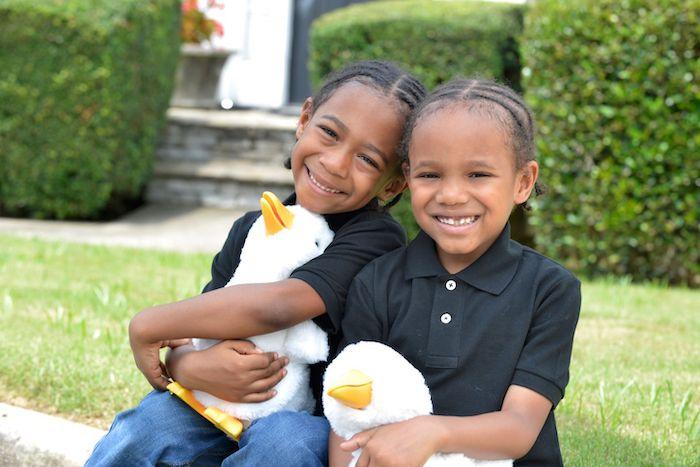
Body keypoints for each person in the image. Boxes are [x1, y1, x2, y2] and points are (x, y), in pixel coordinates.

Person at [86, 60, 426, 467]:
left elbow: (279, 306)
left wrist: (149, 324)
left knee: (282, 446)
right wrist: (186, 364)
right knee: (146, 431)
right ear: (304, 119)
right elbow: (203, 329)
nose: (336, 163)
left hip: (311, 419)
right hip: (219, 404)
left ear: (391, 184)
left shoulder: (375, 238)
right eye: (329, 133)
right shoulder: (253, 228)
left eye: (367, 159)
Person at [329, 78, 581, 467]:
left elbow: (519, 427)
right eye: (430, 175)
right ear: (409, 177)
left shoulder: (549, 289)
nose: (451, 195)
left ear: (523, 182)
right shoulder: (375, 282)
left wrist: (434, 432)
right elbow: (346, 416)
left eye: (477, 175)